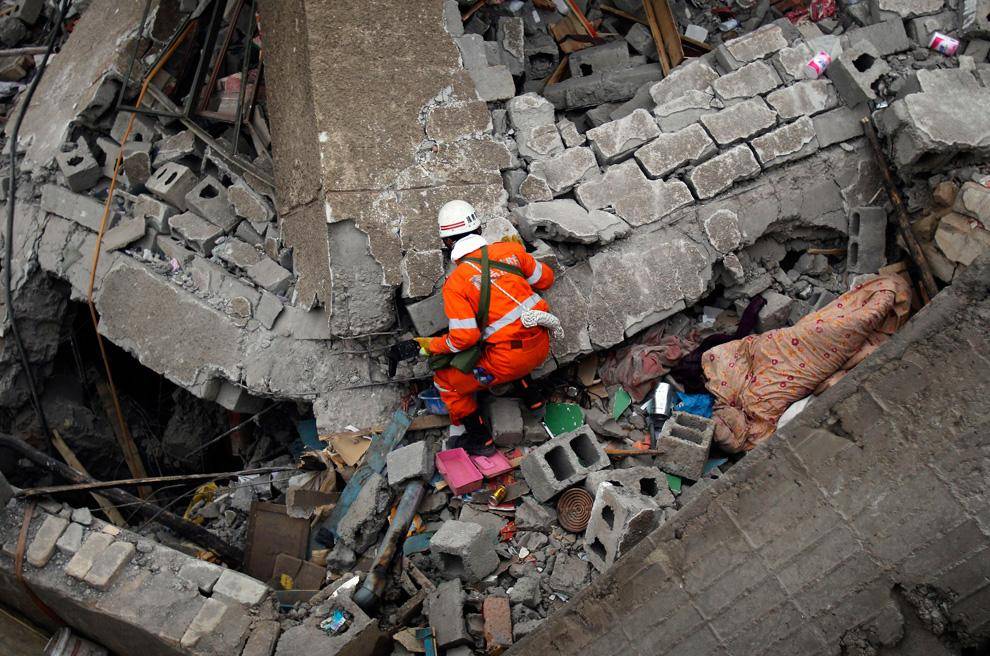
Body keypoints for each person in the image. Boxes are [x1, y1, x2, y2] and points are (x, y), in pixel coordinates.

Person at [414, 199, 556, 455]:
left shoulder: (456, 283)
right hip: (541, 344)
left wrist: (432, 346)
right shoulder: (509, 252)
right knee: (504, 337)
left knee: (445, 380)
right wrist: (522, 256)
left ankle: (481, 439)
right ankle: (534, 402)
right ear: (479, 230)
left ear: (448, 243)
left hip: (507, 361)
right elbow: (545, 279)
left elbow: (464, 339)